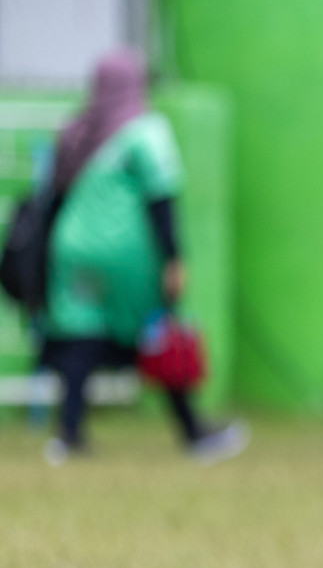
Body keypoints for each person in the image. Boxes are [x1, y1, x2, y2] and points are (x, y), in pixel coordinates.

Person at [37, 50, 246, 466]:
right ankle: (193, 432)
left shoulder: (77, 130)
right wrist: (173, 257)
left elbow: (54, 200)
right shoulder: (146, 131)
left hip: (72, 250)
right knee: (159, 331)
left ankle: (68, 435)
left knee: (82, 336)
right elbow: (160, 198)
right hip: (125, 254)